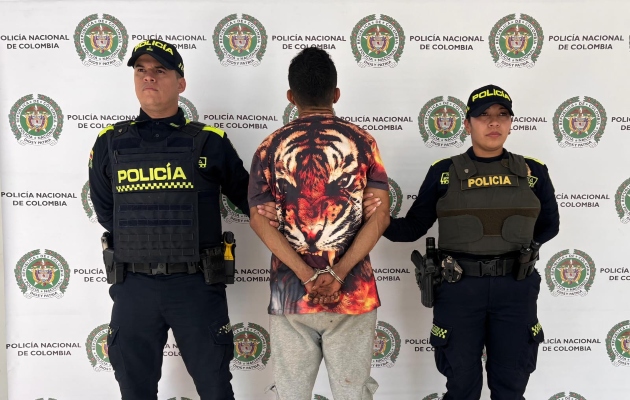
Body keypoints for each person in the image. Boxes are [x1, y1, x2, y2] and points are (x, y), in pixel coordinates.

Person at [365, 84, 560, 400]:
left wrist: (516, 249)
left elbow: (549, 226)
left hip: (515, 289)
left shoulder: (533, 172)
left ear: (511, 122)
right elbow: (413, 228)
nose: (493, 122)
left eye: (502, 115)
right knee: (461, 387)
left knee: (511, 387)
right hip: (459, 290)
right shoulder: (443, 172)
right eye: (483, 115)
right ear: (467, 125)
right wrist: (377, 218)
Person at [88, 39, 255, 400]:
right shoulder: (110, 143)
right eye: (141, 70)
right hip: (134, 286)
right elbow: (106, 212)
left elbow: (252, 203)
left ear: (181, 83)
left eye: (159, 70)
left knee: (215, 389)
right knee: (134, 390)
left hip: (196, 286)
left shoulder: (210, 142)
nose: (148, 77)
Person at [248, 47, 390, 400]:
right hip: (352, 292)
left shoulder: (270, 147)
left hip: (291, 293)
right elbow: (380, 216)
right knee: (353, 394)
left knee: (290, 394)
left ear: (291, 97)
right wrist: (338, 273)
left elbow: (260, 221)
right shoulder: (363, 142)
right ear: (336, 94)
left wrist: (306, 275)